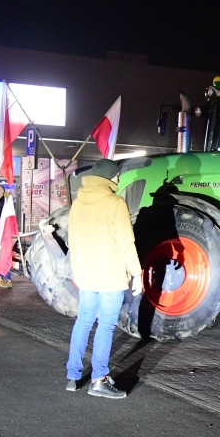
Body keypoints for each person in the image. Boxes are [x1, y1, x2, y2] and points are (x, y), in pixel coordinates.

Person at [65, 159, 143, 399]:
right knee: (106, 326)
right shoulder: (115, 203)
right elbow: (126, 243)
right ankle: (99, 379)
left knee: (84, 322)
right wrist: (137, 273)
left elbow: (74, 241)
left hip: (87, 274)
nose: (119, 180)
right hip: (110, 275)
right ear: (110, 178)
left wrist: (76, 271)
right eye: (117, 176)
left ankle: (73, 376)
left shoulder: (78, 203)